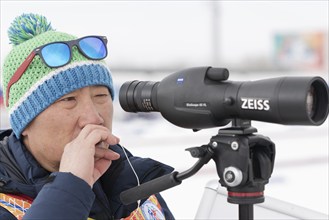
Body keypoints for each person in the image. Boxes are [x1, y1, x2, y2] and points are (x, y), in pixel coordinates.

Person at [0, 13, 175, 220]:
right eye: (69, 100)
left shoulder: (137, 186)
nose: (93, 118)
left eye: (101, 96)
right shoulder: (8, 205)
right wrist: (71, 185)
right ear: (25, 122)